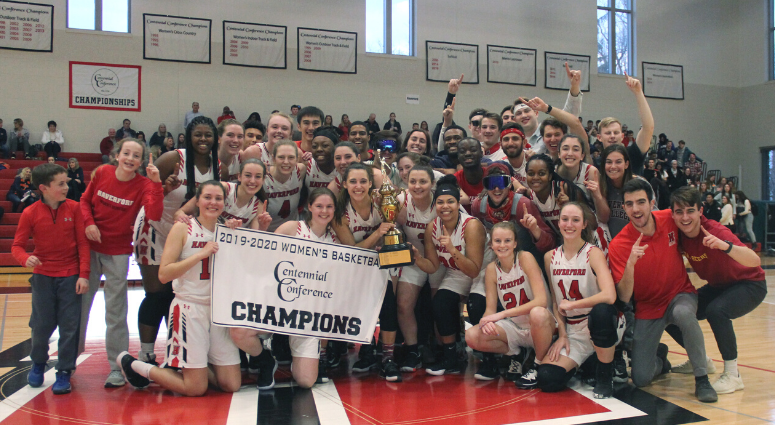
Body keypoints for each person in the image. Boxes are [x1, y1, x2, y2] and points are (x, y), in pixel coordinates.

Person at [118, 181, 242, 396]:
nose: (213, 202)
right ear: (197, 201)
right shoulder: (183, 227)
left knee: (231, 385)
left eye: (218, 198)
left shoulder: (228, 230)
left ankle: (199, 365)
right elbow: (164, 274)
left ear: (224, 202)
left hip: (219, 312)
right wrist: (199, 255)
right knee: (195, 388)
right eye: (207, 197)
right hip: (189, 308)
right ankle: (136, 365)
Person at [607, 178, 718, 403]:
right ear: (624, 207)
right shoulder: (618, 245)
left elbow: (697, 224)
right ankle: (661, 359)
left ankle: (702, 378)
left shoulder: (670, 218)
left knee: (684, 314)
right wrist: (630, 265)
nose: (636, 209)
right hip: (648, 307)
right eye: (629, 204)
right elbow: (625, 297)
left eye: (641, 202)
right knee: (640, 378)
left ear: (652, 202)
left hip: (679, 294)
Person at [132, 116, 220, 369]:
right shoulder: (173, 159)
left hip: (186, 233)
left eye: (208, 135)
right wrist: (164, 189)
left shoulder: (218, 166)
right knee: (156, 293)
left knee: (178, 294)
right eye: (198, 134)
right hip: (156, 228)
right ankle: (146, 353)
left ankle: (177, 352)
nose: (203, 140)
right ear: (188, 136)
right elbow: (146, 194)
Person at [79, 139, 164, 388]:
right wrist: (89, 224)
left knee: (115, 311)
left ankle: (116, 367)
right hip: (89, 248)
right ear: (116, 155)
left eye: (136, 155)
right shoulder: (102, 173)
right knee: (79, 306)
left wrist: (157, 183)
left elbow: (155, 214)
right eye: (126, 153)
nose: (130, 158)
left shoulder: (145, 185)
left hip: (117, 253)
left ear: (141, 161)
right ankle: (67, 362)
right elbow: (84, 202)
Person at [667, 187, 766, 395]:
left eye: (690, 211)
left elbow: (755, 261)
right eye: (679, 212)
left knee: (716, 311)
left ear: (700, 210)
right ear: (673, 213)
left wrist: (725, 246)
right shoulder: (678, 234)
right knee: (670, 312)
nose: (685, 217)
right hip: (718, 286)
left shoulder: (716, 231)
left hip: (749, 283)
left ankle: (733, 375)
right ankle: (701, 361)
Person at [12, 163, 90, 395]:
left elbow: (83, 244)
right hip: (43, 278)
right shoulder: (29, 213)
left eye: (67, 182)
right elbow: (17, 246)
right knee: (40, 325)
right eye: (61, 184)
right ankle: (38, 362)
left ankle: (64, 370)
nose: (67, 187)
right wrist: (25, 258)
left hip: (70, 277)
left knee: (69, 327)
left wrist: (84, 275)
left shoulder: (75, 209)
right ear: (44, 188)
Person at [538, 202, 623, 398]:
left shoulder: (593, 253)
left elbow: (610, 296)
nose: (569, 224)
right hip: (573, 329)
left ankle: (604, 375)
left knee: (601, 312)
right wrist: (562, 334)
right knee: (547, 378)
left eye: (575, 220)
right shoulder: (550, 257)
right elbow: (555, 300)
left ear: (584, 224)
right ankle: (588, 362)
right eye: (565, 219)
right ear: (558, 223)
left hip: (599, 322)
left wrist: (573, 305)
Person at [329, 163, 399, 382]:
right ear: (345, 185)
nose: (358, 186)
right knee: (362, 309)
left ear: (370, 183)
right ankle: (366, 351)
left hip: (384, 263)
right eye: (353, 182)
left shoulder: (382, 202)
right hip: (355, 266)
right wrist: (378, 232)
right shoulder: (339, 212)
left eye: (362, 181)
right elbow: (353, 249)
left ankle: (387, 358)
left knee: (388, 308)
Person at [269, 188, 345, 388]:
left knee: (306, 381)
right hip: (280, 301)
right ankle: (263, 357)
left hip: (309, 313)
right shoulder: (292, 228)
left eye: (329, 207)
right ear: (309, 207)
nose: (324, 211)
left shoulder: (336, 239)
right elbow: (266, 258)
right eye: (319, 206)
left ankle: (312, 357)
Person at [465, 221, 554, 388]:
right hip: (515, 327)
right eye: (497, 241)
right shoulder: (492, 269)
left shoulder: (525, 258)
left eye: (507, 240)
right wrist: (487, 322)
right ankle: (517, 354)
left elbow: (541, 301)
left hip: (541, 325)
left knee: (537, 313)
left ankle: (537, 364)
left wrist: (503, 314)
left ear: (515, 243)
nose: (502, 245)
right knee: (472, 335)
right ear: (491, 244)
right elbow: (490, 310)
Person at [414, 175, 486, 375]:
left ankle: (489, 358)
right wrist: (417, 258)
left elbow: (474, 269)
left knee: (476, 305)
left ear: (457, 204)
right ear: (435, 205)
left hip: (483, 272)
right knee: (440, 303)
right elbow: (433, 266)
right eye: (440, 202)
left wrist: (453, 250)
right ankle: (452, 357)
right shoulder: (432, 227)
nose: (445, 206)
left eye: (450, 201)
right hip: (458, 270)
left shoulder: (471, 225)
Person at [394, 163, 445, 373]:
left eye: (423, 181)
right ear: (406, 182)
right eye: (413, 181)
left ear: (432, 183)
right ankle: (412, 349)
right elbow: (392, 229)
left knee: (440, 307)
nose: (417, 186)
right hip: (414, 259)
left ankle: (445, 350)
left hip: (441, 260)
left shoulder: (442, 203)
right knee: (404, 304)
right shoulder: (399, 201)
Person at [595, 74, 655, 175]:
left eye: (616, 132)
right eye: (608, 133)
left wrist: (638, 93)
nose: (612, 136)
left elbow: (648, 128)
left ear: (622, 136)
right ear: (599, 137)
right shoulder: (596, 163)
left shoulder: (632, 155)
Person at [265, 140, 307, 232]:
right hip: (267, 232)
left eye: (291, 157)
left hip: (292, 232)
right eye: (281, 157)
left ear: (297, 159)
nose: (286, 162)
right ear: (273, 159)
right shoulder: (263, 176)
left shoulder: (301, 170)